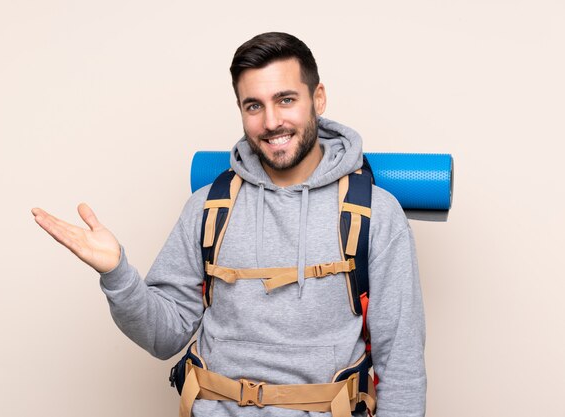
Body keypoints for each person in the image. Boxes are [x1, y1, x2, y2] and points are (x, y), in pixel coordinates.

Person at [32, 32, 426, 417]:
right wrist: (117, 273)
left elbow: (402, 362)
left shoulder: (375, 212)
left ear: (317, 98)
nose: (271, 122)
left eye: (285, 100)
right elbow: (164, 336)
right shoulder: (208, 206)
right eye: (253, 106)